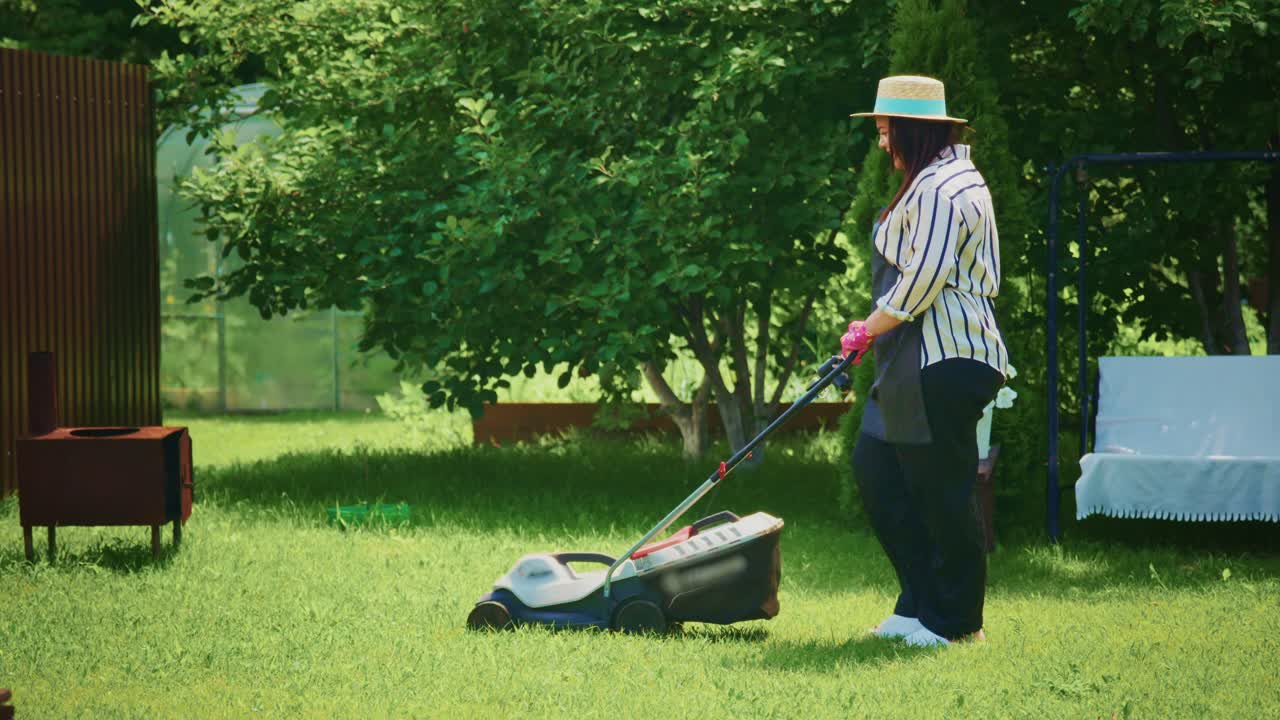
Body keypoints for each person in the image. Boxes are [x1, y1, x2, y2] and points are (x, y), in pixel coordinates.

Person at [841, 75, 1009, 647]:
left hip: (947, 357)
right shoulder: (926, 180)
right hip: (911, 361)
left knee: (942, 491)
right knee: (878, 471)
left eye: (887, 131)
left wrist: (867, 327)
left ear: (914, 130)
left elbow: (921, 281)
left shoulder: (945, 187)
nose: (882, 143)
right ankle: (917, 606)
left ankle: (958, 623)